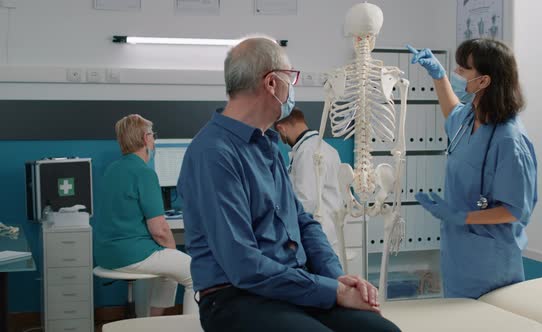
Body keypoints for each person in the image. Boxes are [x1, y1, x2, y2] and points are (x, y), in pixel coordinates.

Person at [177, 37, 400, 332]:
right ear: (271, 83)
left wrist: (336, 278)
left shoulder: (267, 144)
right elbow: (243, 265)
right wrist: (332, 292)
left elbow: (303, 222)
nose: (293, 88)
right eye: (291, 78)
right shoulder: (214, 153)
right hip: (236, 298)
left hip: (291, 287)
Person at [406, 39, 538, 299]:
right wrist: (438, 76)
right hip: (459, 253)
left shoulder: (509, 140)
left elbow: (514, 209)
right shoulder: (469, 118)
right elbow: (451, 111)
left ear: (484, 81)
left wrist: (462, 216)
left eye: (463, 69)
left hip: (490, 261)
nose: (457, 73)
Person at [94, 114, 197, 316]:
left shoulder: (112, 170)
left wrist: (170, 255)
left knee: (169, 271)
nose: (154, 139)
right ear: (145, 139)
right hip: (131, 254)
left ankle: (152, 323)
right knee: (197, 274)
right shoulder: (144, 173)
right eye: (152, 135)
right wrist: (172, 250)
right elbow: (159, 230)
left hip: (107, 253)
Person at [274, 107, 341, 258]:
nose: (281, 139)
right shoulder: (327, 148)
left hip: (318, 234)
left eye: (279, 135)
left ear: (281, 128)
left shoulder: (307, 151)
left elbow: (307, 201)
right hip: (329, 232)